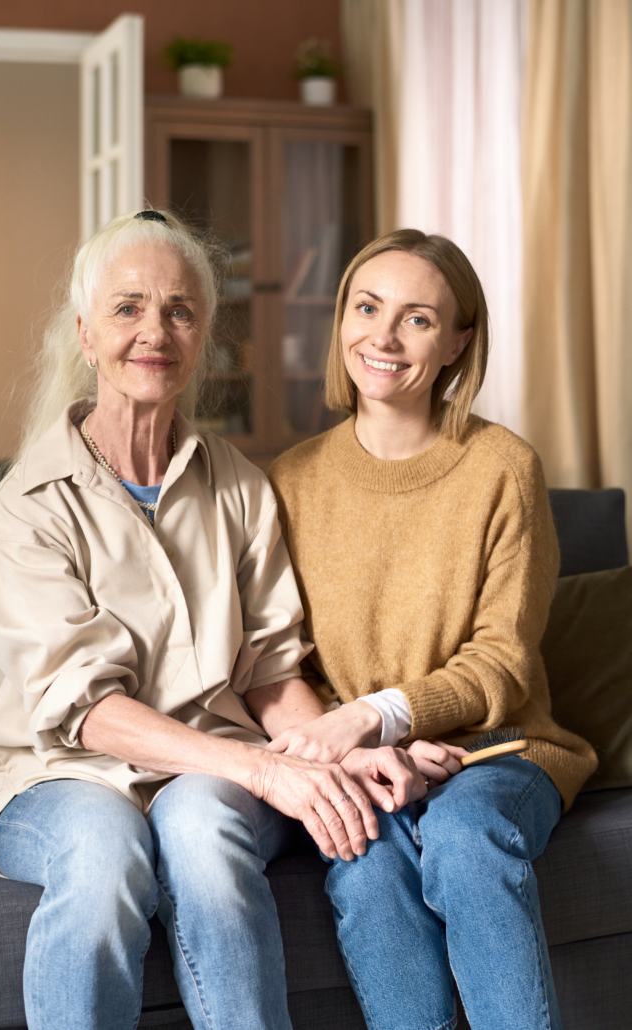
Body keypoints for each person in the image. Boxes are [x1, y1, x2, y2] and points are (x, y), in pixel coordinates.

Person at [0, 211, 429, 1030]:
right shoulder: (29, 507)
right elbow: (88, 711)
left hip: (215, 777)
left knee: (203, 823)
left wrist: (345, 752)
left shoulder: (240, 487)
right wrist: (262, 770)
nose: (155, 331)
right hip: (63, 773)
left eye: (179, 311)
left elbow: (272, 675)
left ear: (203, 336)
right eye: (128, 307)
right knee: (104, 852)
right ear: (85, 331)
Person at [268, 229, 598, 1030]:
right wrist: (372, 747)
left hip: (500, 749)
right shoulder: (288, 481)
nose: (381, 337)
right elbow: (280, 662)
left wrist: (378, 713)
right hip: (369, 763)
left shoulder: (501, 468)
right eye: (367, 307)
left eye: (416, 319)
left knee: (462, 834)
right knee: (364, 863)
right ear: (341, 318)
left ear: (456, 343)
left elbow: (502, 660)